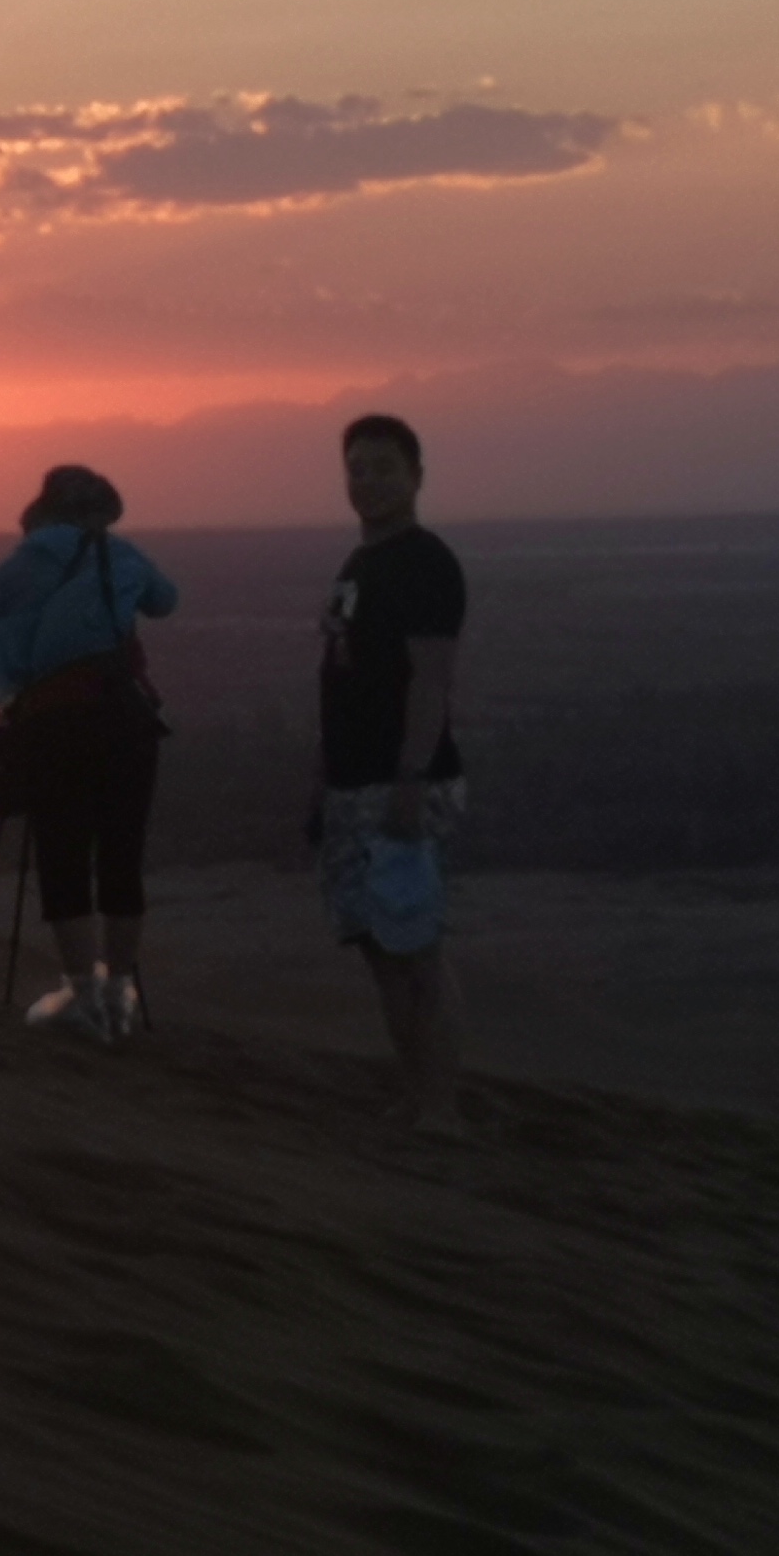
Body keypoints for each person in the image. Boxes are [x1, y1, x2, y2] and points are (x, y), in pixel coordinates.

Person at [0, 464, 179, 1046]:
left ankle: (82, 997)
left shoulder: (20, 567)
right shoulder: (121, 554)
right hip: (128, 722)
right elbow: (166, 601)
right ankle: (119, 998)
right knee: (121, 855)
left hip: (53, 724)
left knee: (62, 855)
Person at [314, 412, 469, 1130]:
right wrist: (323, 779)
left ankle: (440, 1108)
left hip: (401, 783)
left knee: (416, 951)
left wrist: (411, 778)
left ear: (417, 476)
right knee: (380, 950)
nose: (368, 481)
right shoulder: (360, 564)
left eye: (384, 468)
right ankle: (417, 1094)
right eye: (357, 468)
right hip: (354, 783)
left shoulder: (424, 563)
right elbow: (340, 678)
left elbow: (432, 680)